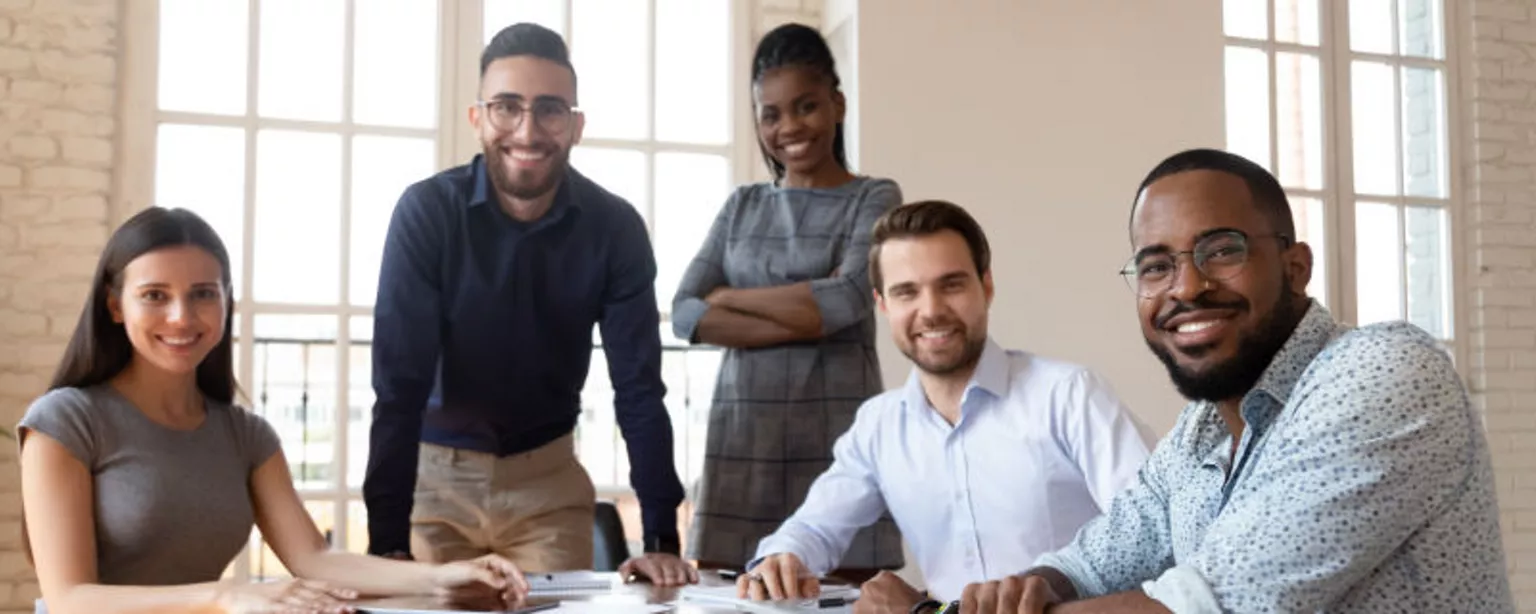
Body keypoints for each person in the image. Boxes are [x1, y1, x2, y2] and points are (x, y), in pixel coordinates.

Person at [960, 149, 1515, 613]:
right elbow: (1091, 563)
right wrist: (1024, 592)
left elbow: (1204, 607)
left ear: (1295, 268)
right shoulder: (1203, 429)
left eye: (1222, 251)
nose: (1187, 287)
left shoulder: (1384, 371)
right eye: (1156, 266)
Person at [18, 207, 531, 614]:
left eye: (203, 294)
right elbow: (70, 600)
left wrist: (441, 577)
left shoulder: (246, 436)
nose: (181, 316)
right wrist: (226, 596)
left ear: (225, 302)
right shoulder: (66, 422)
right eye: (155, 295)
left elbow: (315, 559)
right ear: (115, 306)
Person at [363, 22, 694, 585]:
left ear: (576, 125)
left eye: (549, 110)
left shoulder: (615, 228)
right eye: (507, 107)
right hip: (434, 484)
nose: (527, 129)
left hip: (547, 486)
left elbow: (638, 386)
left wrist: (661, 536)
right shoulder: (426, 213)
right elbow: (399, 388)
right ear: (478, 119)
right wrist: (387, 541)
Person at [732, 200, 1153, 609]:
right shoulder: (878, 425)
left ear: (985, 286)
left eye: (950, 285)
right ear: (882, 305)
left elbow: (1153, 530)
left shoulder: (1069, 395)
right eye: (906, 292)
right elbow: (815, 527)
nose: (931, 311)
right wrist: (784, 557)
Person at [671, 22, 903, 579]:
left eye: (806, 106)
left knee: (847, 598)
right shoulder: (741, 207)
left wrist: (731, 298)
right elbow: (684, 311)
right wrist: (806, 314)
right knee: (730, 594)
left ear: (838, 104)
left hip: (835, 448)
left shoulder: (874, 196)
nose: (789, 127)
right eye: (770, 114)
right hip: (740, 448)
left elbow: (847, 299)